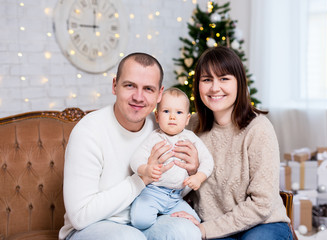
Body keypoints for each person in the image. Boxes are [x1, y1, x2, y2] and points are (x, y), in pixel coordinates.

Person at [59, 52, 201, 240]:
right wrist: (141, 179)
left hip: (146, 220)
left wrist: (191, 173)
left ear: (160, 94)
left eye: (148, 89)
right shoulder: (88, 132)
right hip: (92, 227)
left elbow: (167, 190)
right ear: (114, 85)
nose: (138, 97)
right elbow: (80, 217)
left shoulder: (161, 127)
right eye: (129, 85)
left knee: (188, 232)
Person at [171, 46, 292, 240]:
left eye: (224, 78)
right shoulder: (189, 126)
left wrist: (204, 230)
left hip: (263, 224)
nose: (214, 88)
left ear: (239, 83)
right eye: (207, 79)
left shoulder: (258, 128)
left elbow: (262, 204)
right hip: (214, 226)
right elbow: (174, 182)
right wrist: (192, 172)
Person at [130, 88, 214, 230]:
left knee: (195, 223)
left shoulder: (191, 138)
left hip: (175, 198)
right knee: (140, 221)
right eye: (166, 111)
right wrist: (146, 169)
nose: (172, 117)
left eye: (179, 112)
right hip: (152, 193)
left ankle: (165, 219)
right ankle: (158, 225)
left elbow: (208, 160)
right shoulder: (154, 137)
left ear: (187, 119)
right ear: (157, 116)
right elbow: (135, 159)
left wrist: (199, 177)